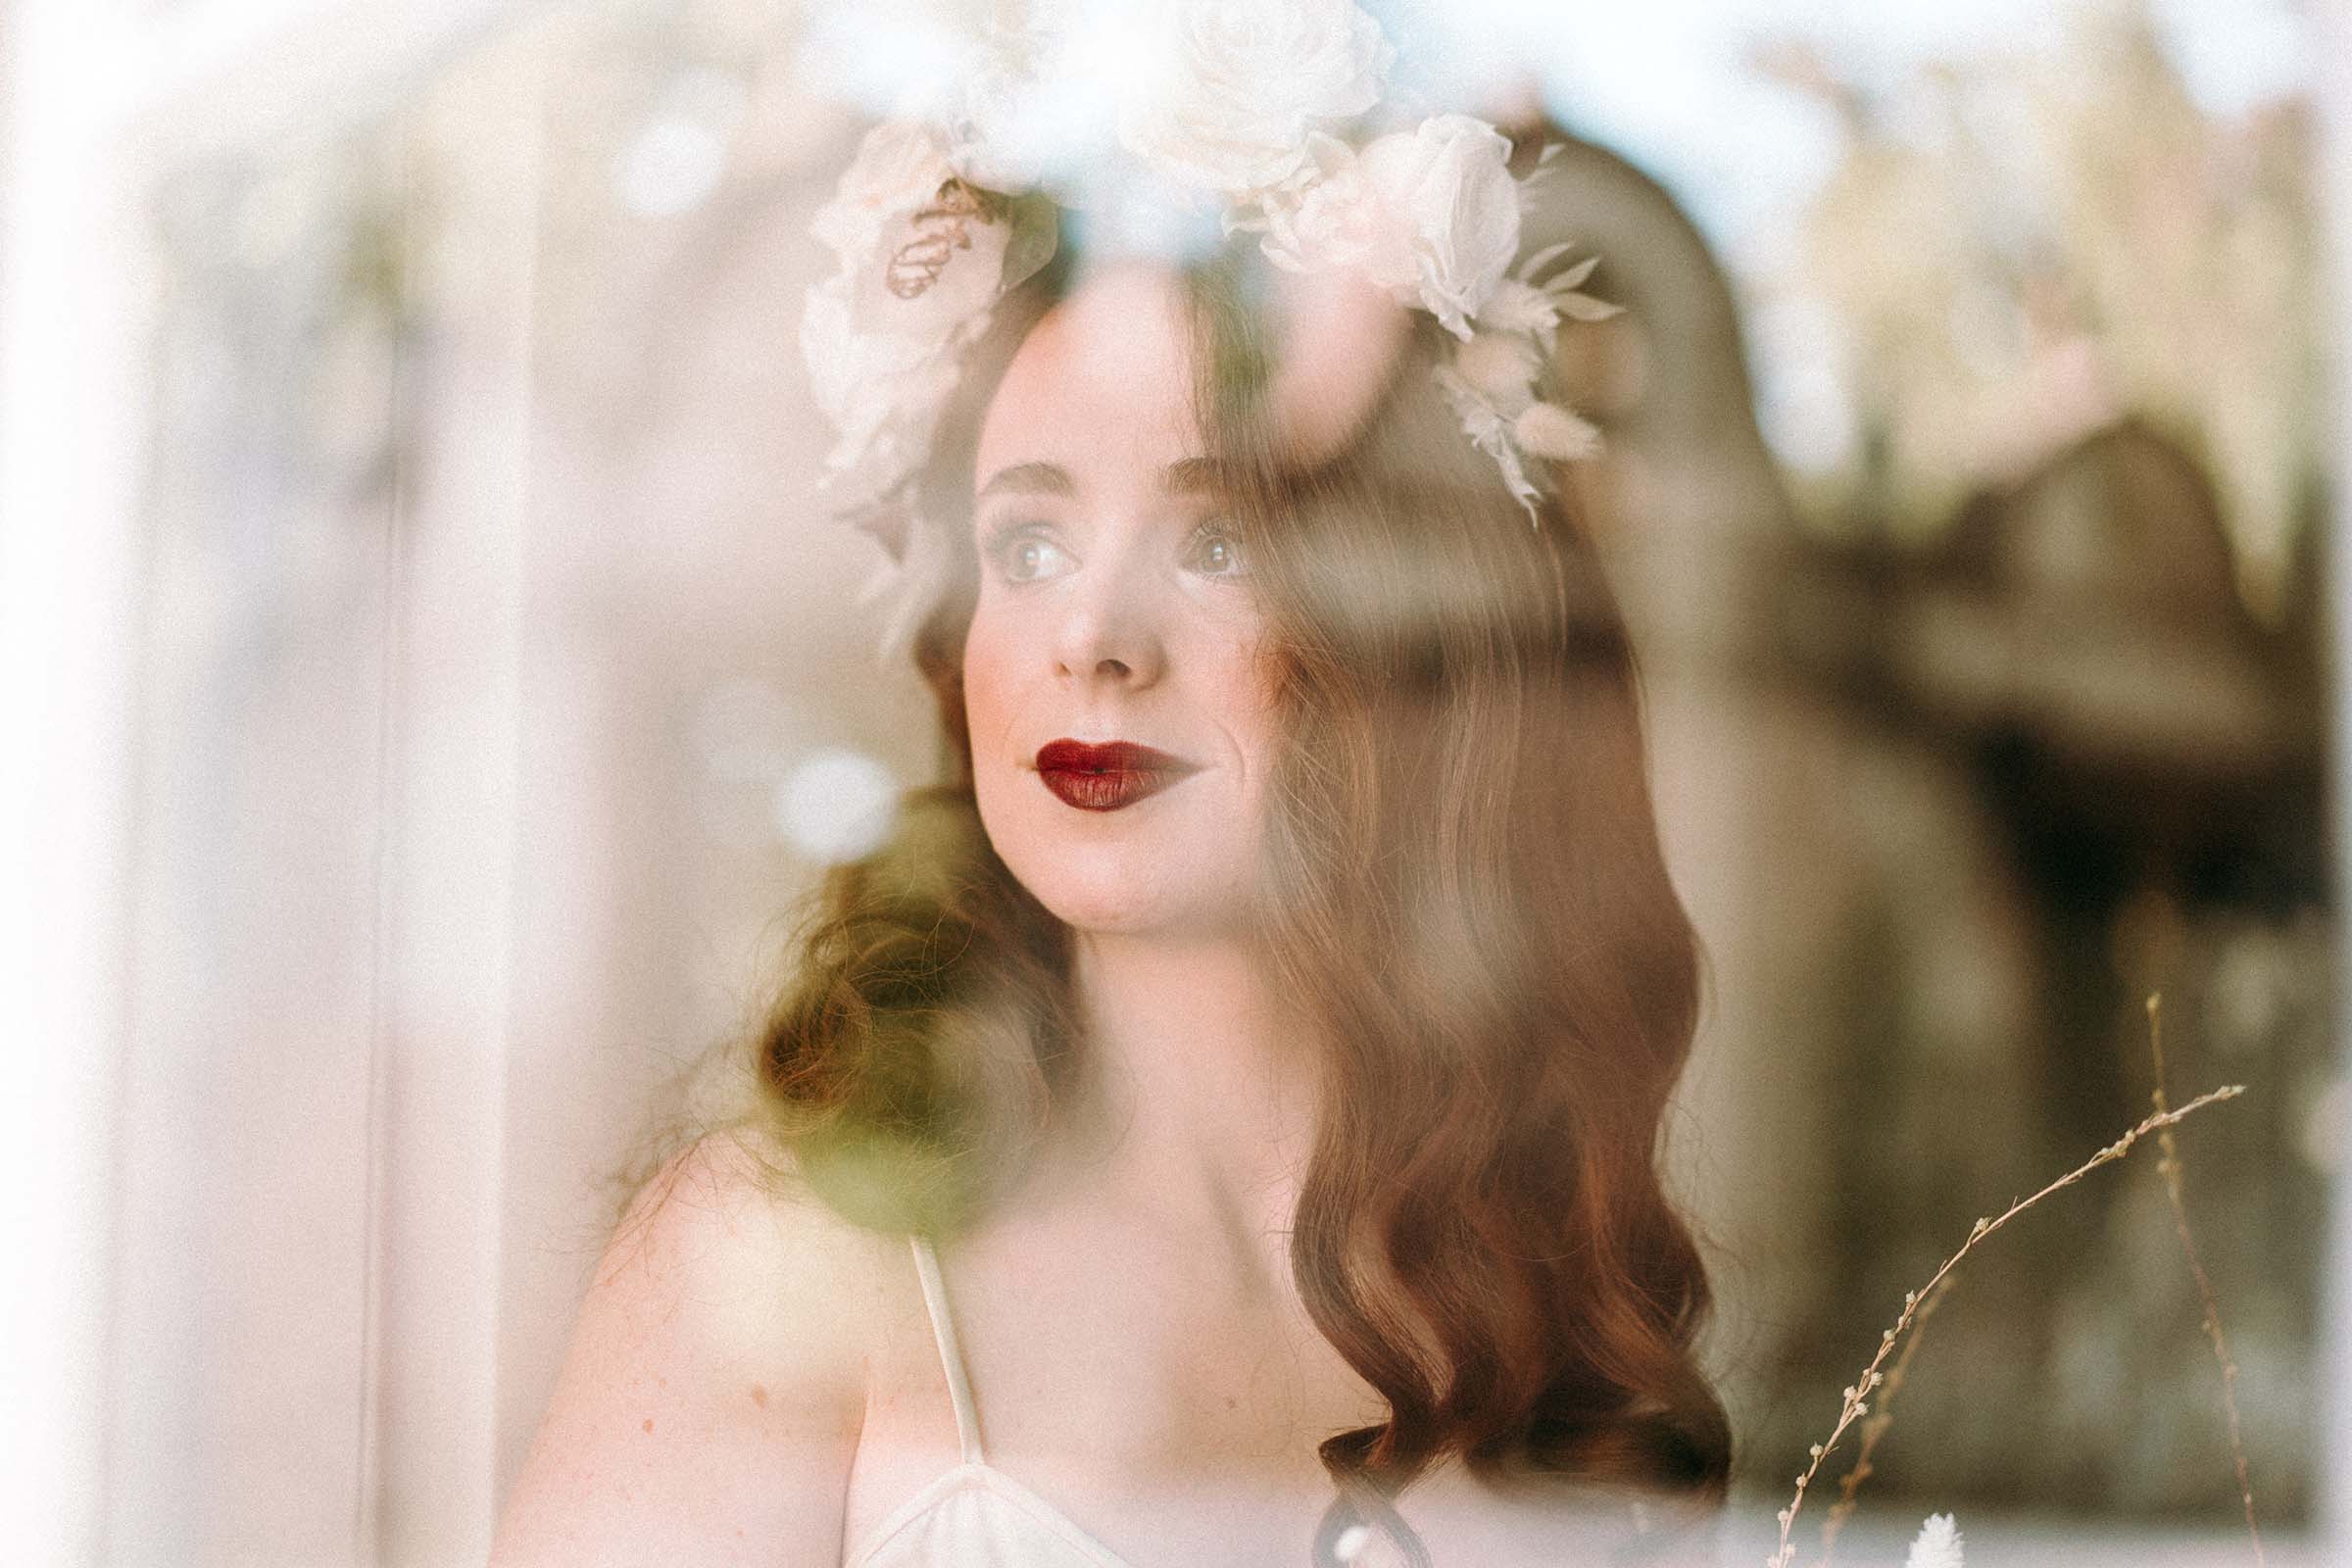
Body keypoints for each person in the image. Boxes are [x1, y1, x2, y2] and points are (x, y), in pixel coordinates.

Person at [491, 12, 1730, 1564]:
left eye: (1218, 540)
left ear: (1422, 631)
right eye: (1028, 546)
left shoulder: (1542, 1312)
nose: (1094, 639)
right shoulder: (790, 1264)